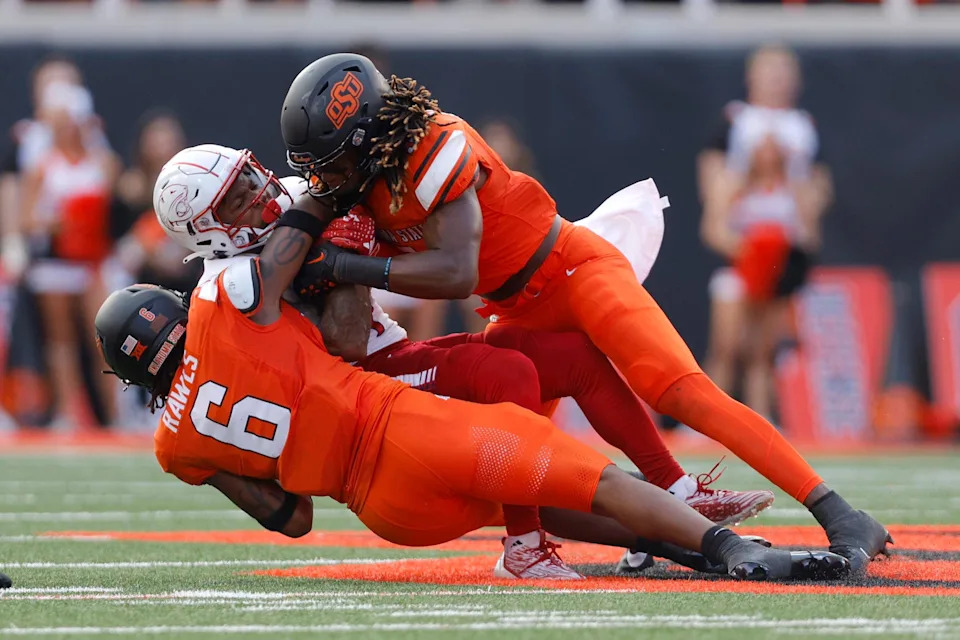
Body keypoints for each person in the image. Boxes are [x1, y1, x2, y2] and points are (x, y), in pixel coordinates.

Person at [279, 53, 889, 572]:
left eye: (329, 162)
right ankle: (635, 527)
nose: (322, 178)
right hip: (513, 305)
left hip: (571, 270)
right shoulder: (361, 188)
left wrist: (350, 267)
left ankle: (840, 512)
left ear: (365, 138)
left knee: (677, 390)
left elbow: (456, 273)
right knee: (515, 447)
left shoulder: (436, 145)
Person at [151, 144, 775, 578]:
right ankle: (526, 542)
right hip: (365, 380)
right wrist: (346, 252)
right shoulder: (235, 281)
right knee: (509, 375)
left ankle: (673, 489)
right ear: (207, 230)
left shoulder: (290, 206)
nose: (261, 191)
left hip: (391, 351)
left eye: (250, 175)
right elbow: (342, 338)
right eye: (237, 198)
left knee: (570, 356)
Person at [93, 228, 850, 583]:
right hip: (401, 429)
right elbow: (288, 247)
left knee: (545, 497)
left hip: (385, 509)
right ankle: (738, 554)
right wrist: (319, 200)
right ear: (173, 310)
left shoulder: (173, 446)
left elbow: (291, 518)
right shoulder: (222, 305)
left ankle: (689, 549)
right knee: (590, 478)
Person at [698, 44, 831, 422]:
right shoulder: (734, 136)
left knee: (763, 352)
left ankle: (761, 424)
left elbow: (813, 213)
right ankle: (708, 421)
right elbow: (714, 214)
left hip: (780, 257)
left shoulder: (804, 138)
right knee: (727, 347)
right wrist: (750, 251)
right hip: (741, 258)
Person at [17, 81, 120, 428]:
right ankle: (67, 413)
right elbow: (28, 218)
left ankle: (119, 414)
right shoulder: (43, 165)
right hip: (55, 264)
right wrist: (58, 222)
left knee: (105, 339)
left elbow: (113, 190)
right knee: (61, 342)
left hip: (92, 262)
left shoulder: (99, 161)